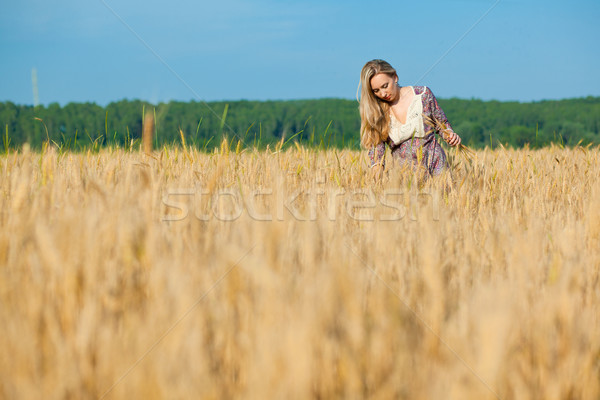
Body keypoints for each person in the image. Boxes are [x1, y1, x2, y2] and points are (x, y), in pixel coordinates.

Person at [358, 59, 461, 180]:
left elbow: (441, 124)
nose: (383, 93)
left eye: (385, 86)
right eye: (376, 91)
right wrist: (376, 175)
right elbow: (377, 152)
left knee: (446, 198)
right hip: (406, 178)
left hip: (438, 169)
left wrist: (450, 135)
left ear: (395, 77)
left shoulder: (423, 95)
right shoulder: (377, 113)